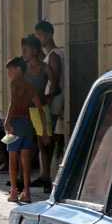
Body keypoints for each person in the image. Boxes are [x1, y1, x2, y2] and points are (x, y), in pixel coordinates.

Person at [4, 57, 49, 203]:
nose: (9, 74)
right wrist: (44, 130)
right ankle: (27, 191)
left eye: (10, 71)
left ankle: (14, 191)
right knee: (26, 159)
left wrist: (7, 121)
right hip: (28, 123)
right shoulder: (30, 86)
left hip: (15, 123)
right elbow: (40, 109)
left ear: (18, 69)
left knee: (13, 158)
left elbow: (12, 104)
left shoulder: (14, 84)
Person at [22, 35, 59, 193]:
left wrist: (46, 98)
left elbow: (56, 86)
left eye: (26, 50)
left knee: (44, 143)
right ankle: (24, 178)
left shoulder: (44, 68)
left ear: (34, 51)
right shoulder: (23, 68)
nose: (23, 53)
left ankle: (46, 177)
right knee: (27, 145)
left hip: (40, 110)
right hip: (25, 109)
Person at [34, 20, 65, 160]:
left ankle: (46, 175)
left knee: (45, 138)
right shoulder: (50, 55)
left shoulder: (54, 55)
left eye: (41, 36)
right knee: (44, 137)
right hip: (50, 102)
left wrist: (47, 102)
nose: (38, 39)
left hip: (52, 103)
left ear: (50, 35)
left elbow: (55, 82)